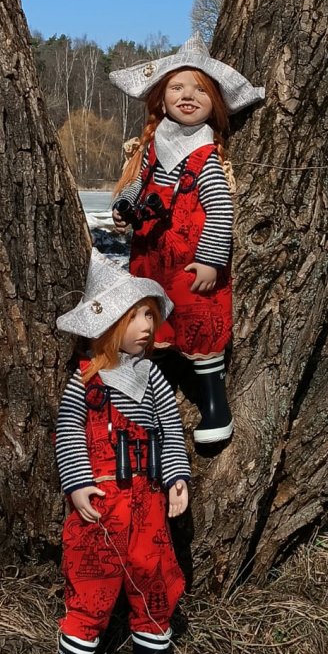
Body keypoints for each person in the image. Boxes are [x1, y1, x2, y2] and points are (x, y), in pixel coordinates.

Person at [41, 249, 191, 654]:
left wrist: (175, 477)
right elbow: (68, 433)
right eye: (136, 317)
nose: (148, 326)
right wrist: (78, 481)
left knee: (154, 587)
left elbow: (170, 431)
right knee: (92, 591)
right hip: (101, 508)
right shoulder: (84, 382)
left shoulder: (153, 381)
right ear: (109, 326)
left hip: (147, 506)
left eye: (151, 315)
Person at [109, 33, 264, 446]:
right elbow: (136, 185)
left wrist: (212, 259)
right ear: (160, 98)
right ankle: (151, 398)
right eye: (177, 87)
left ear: (216, 102)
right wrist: (125, 206)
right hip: (150, 255)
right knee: (152, 318)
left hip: (191, 261)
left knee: (197, 317)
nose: (188, 95)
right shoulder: (152, 148)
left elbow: (219, 208)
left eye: (200, 89)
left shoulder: (205, 154)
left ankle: (214, 402)